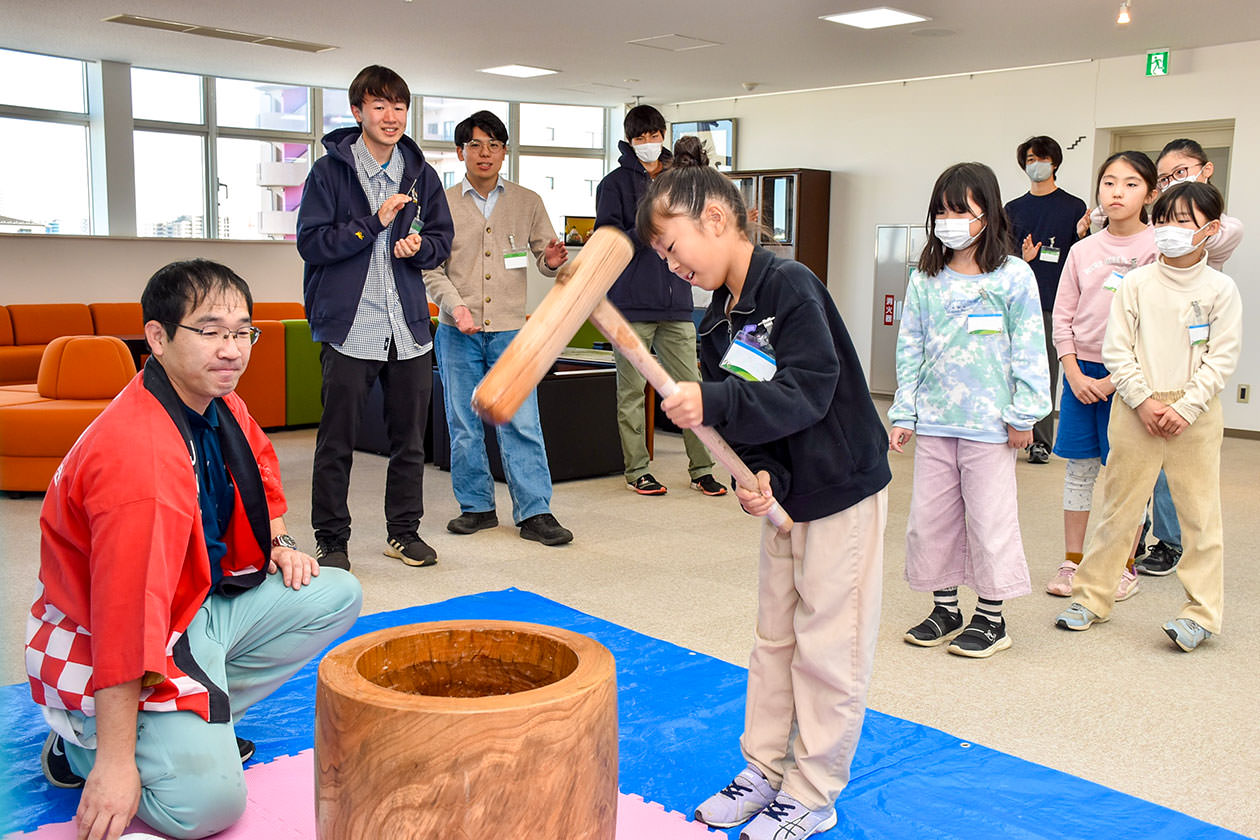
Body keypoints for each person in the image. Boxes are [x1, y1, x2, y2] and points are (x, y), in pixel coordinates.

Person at [26, 259, 363, 840]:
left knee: (335, 593)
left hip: (195, 600)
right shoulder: (140, 461)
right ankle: (78, 748)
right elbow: (125, 616)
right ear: (157, 337)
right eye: (210, 331)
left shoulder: (216, 400)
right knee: (207, 809)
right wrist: (112, 766)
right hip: (109, 631)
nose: (231, 349)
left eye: (241, 332)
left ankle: (195, 718)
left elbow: (261, 466)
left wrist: (280, 542)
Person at [647, 137, 891, 840]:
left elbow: (807, 392)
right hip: (786, 496)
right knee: (774, 638)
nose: (672, 263)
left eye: (673, 245)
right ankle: (764, 769)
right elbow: (750, 420)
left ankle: (812, 791)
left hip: (841, 487)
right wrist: (754, 474)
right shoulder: (714, 319)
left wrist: (712, 405)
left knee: (827, 644)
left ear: (717, 219)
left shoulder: (790, 286)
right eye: (662, 254)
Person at [1054, 182, 1240, 651]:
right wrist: (1142, 400)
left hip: (1193, 415)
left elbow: (1222, 358)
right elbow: (1117, 348)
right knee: (1119, 507)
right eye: (1164, 220)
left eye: (1183, 221)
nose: (1169, 230)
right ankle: (1091, 597)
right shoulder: (1136, 282)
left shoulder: (1220, 288)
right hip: (1135, 407)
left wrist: (1184, 407)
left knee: (1200, 516)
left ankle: (1200, 614)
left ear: (1210, 229)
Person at [889, 162, 1051, 658]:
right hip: (937, 421)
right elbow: (910, 346)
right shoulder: (926, 277)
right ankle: (945, 606)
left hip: (990, 423)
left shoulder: (1013, 276)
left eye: (960, 210)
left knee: (989, 519)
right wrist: (904, 411)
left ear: (988, 213)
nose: (949, 220)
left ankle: (992, 616)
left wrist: (1026, 412)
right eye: (941, 211)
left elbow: (1029, 346)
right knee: (931, 519)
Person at [297, 64, 453, 570]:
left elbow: (441, 240)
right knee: (336, 441)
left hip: (407, 327)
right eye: (380, 105)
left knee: (409, 440)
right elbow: (312, 244)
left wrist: (418, 247)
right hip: (350, 327)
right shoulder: (329, 172)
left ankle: (403, 532)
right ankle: (332, 538)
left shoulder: (420, 173)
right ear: (358, 110)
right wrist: (374, 223)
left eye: (400, 107)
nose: (391, 116)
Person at [423, 110, 574, 546]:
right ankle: (476, 507)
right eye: (475, 145)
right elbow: (428, 268)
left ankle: (535, 512)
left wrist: (553, 260)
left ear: (505, 152)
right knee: (464, 423)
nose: (484, 153)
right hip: (457, 332)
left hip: (512, 332)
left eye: (493, 145)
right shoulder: (442, 203)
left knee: (522, 421)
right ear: (460, 152)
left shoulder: (527, 202)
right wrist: (456, 306)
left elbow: (546, 259)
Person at [595, 104, 725, 498]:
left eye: (654, 136)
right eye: (641, 139)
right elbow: (607, 240)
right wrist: (649, 227)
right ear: (629, 141)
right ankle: (638, 470)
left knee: (691, 386)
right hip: (630, 305)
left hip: (678, 304)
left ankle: (702, 467)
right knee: (632, 391)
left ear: (663, 135)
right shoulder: (614, 184)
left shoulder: (680, 179)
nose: (649, 144)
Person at [1045, 151, 1158, 601]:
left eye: (1131, 184)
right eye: (1109, 182)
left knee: (1126, 474)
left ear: (1149, 193)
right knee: (1080, 470)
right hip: (1079, 373)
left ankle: (1123, 563)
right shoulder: (1082, 250)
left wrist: (1115, 380)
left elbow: (1156, 327)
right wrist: (1072, 372)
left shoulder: (1155, 248)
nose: (1117, 192)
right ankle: (1073, 561)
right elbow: (1063, 319)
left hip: (1130, 376)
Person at [1138, 139, 1246, 577]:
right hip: (1147, 353)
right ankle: (1138, 539)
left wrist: (1188, 210)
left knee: (1179, 469)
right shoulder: (1154, 234)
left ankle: (1171, 541)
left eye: (1181, 171)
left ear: (1206, 169)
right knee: (1136, 463)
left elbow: (1225, 230)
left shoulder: (1218, 227)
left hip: (1190, 359)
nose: (1171, 183)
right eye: (1163, 178)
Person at [1003, 135, 1088, 464]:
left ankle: (1040, 442)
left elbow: (1080, 255)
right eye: (1029, 159)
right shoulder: (1013, 209)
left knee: (1046, 372)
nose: (1034, 164)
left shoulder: (1073, 207)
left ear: (1054, 163)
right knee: (1011, 369)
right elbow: (1002, 259)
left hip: (1055, 301)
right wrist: (1021, 259)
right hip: (1016, 302)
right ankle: (1011, 429)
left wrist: (1083, 234)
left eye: (1040, 158)